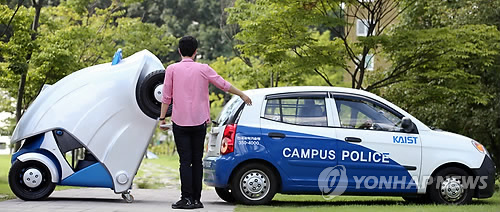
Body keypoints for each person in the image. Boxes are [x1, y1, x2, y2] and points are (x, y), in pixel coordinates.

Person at [158, 36, 252, 209]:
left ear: (179, 51)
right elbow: (223, 84)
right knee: (197, 161)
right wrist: (242, 94)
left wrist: (162, 118)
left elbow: (166, 97)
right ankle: (196, 199)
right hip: (199, 122)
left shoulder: (171, 69)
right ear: (195, 52)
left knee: (185, 162)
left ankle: (186, 199)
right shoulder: (203, 69)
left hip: (180, 122)